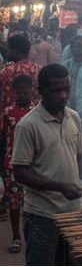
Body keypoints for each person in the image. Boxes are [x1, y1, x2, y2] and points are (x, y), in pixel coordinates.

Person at [12, 64, 82, 265]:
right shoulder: (28, 125)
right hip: (43, 216)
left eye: (66, 89)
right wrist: (60, 187)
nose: (63, 95)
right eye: (55, 90)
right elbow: (20, 173)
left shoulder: (74, 117)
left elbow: (80, 161)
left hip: (73, 212)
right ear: (40, 92)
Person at [0, 75, 36, 254]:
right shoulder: (7, 112)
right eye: (19, 92)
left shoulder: (36, 112)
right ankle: (16, 237)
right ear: (14, 93)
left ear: (32, 91)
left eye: (26, 92)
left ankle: (30, 234)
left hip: (33, 165)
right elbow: (2, 138)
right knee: (13, 203)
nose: (23, 95)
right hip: (12, 165)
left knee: (31, 202)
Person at [0, 35, 41, 114]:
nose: (7, 52)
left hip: (10, 120)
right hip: (35, 119)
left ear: (16, 51)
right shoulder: (39, 70)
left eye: (9, 49)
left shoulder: (6, 72)